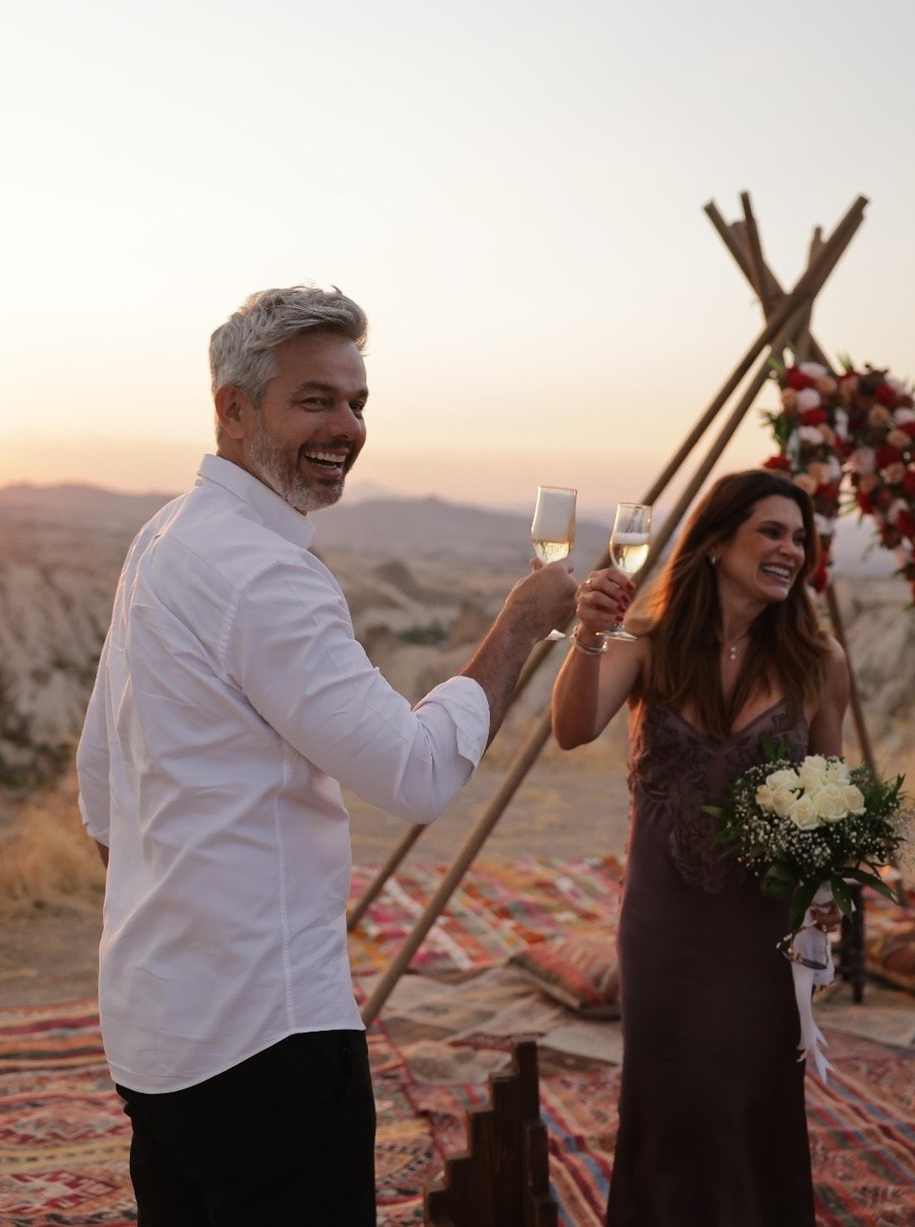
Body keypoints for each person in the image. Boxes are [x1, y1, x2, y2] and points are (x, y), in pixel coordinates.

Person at [76, 284, 577, 1227]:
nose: (346, 425)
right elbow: (418, 773)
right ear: (232, 407)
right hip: (267, 1042)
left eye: (357, 402)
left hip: (155, 1031)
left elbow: (100, 788)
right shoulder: (265, 574)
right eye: (315, 399)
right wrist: (521, 623)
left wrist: (181, 922)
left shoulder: (165, 536)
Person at [551, 469, 849, 1227]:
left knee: (749, 1105)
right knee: (679, 1108)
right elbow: (572, 725)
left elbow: (830, 797)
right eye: (772, 532)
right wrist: (587, 636)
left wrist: (827, 896)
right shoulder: (646, 645)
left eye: (799, 538)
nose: (791, 549)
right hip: (667, 931)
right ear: (716, 541)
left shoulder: (820, 663)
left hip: (763, 934)